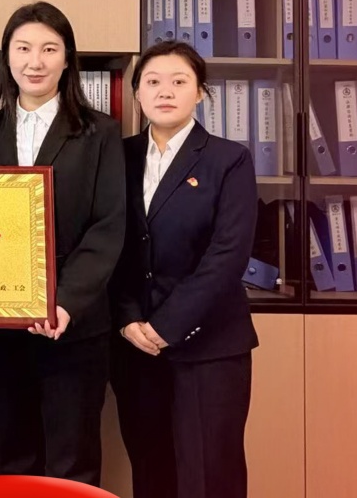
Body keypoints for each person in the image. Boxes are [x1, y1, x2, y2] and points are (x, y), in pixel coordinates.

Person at [0, 1, 126, 487]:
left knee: (72, 465)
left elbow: (107, 226)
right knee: (14, 459)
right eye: (24, 48)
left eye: (49, 49)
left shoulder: (100, 132)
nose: (35, 61)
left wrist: (64, 302)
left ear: (67, 59)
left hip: (73, 325)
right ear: (7, 57)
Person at [108, 40, 259, 498]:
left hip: (209, 344)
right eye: (153, 82)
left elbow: (228, 254)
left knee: (209, 473)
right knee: (150, 469)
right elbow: (105, 243)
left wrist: (167, 325)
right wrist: (128, 318)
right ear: (137, 93)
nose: (165, 91)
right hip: (135, 345)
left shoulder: (228, 159)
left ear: (200, 92)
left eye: (179, 81)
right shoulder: (118, 156)